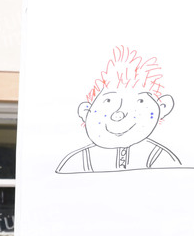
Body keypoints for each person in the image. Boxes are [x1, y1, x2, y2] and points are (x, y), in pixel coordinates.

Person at [57, 46, 181, 174]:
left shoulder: (160, 157)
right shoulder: (78, 161)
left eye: (140, 101)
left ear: (163, 107)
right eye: (108, 101)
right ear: (85, 111)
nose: (119, 114)